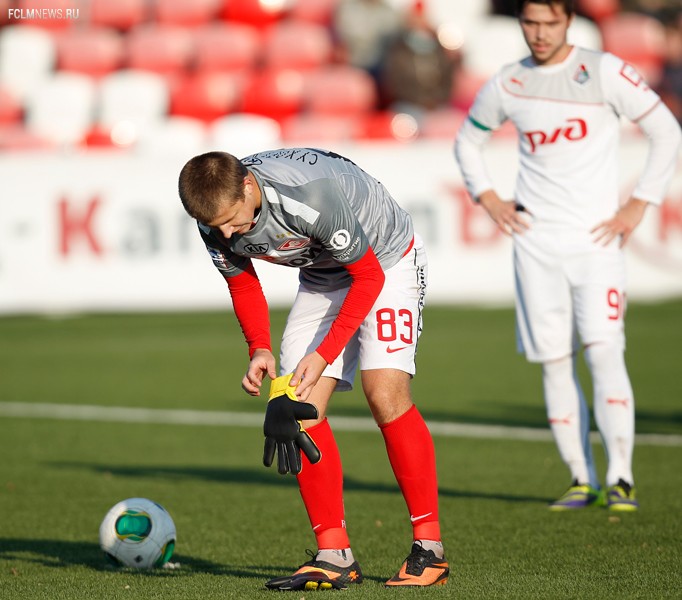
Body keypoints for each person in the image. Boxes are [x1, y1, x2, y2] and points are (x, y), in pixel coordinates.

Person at [177, 148, 449, 588]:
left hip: (385, 260)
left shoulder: (309, 196)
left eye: (232, 219)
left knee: (384, 393)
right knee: (294, 408)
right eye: (216, 226)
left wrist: (324, 353)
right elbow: (243, 282)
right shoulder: (215, 216)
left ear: (249, 185)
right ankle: (334, 554)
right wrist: (259, 348)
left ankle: (429, 549)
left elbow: (368, 278)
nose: (226, 233)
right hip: (324, 278)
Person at [454, 0, 681, 511]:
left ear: (568, 22)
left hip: (595, 242)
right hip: (536, 245)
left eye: (548, 22)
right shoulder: (510, 81)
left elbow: (667, 130)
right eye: (529, 22)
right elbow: (468, 142)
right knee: (555, 364)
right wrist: (487, 196)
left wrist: (640, 202)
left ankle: (621, 477)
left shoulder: (601, 70)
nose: (538, 32)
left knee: (604, 353)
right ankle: (581, 479)